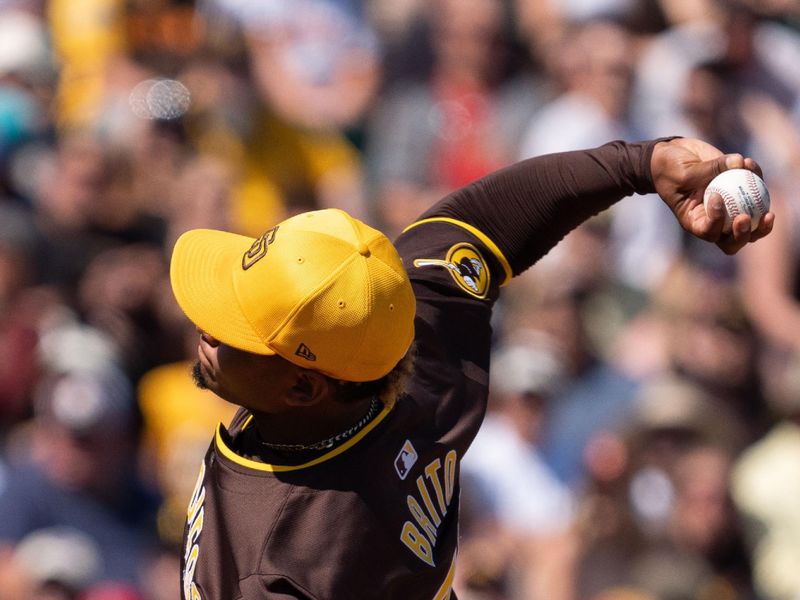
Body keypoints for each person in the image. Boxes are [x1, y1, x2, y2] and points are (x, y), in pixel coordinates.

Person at [168, 136, 773, 599]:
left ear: (303, 384)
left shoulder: (277, 557)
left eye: (233, 332)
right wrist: (643, 162)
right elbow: (488, 221)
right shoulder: (403, 356)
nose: (206, 331)